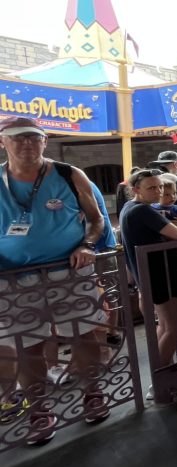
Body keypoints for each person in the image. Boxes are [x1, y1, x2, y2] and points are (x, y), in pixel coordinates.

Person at [0, 117, 109, 444]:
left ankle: (93, 393)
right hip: (14, 279)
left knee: (83, 335)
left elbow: (96, 219)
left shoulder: (68, 174)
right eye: (17, 139)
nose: (26, 144)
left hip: (69, 271)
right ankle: (39, 412)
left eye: (33, 138)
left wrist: (88, 244)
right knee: (26, 345)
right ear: (3, 142)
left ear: (45, 141)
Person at [119, 169, 177, 371]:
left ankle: (158, 371)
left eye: (159, 186)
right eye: (151, 188)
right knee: (174, 325)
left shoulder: (128, 208)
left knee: (167, 325)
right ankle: (160, 376)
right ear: (135, 190)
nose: (158, 191)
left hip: (150, 275)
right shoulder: (142, 210)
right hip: (161, 274)